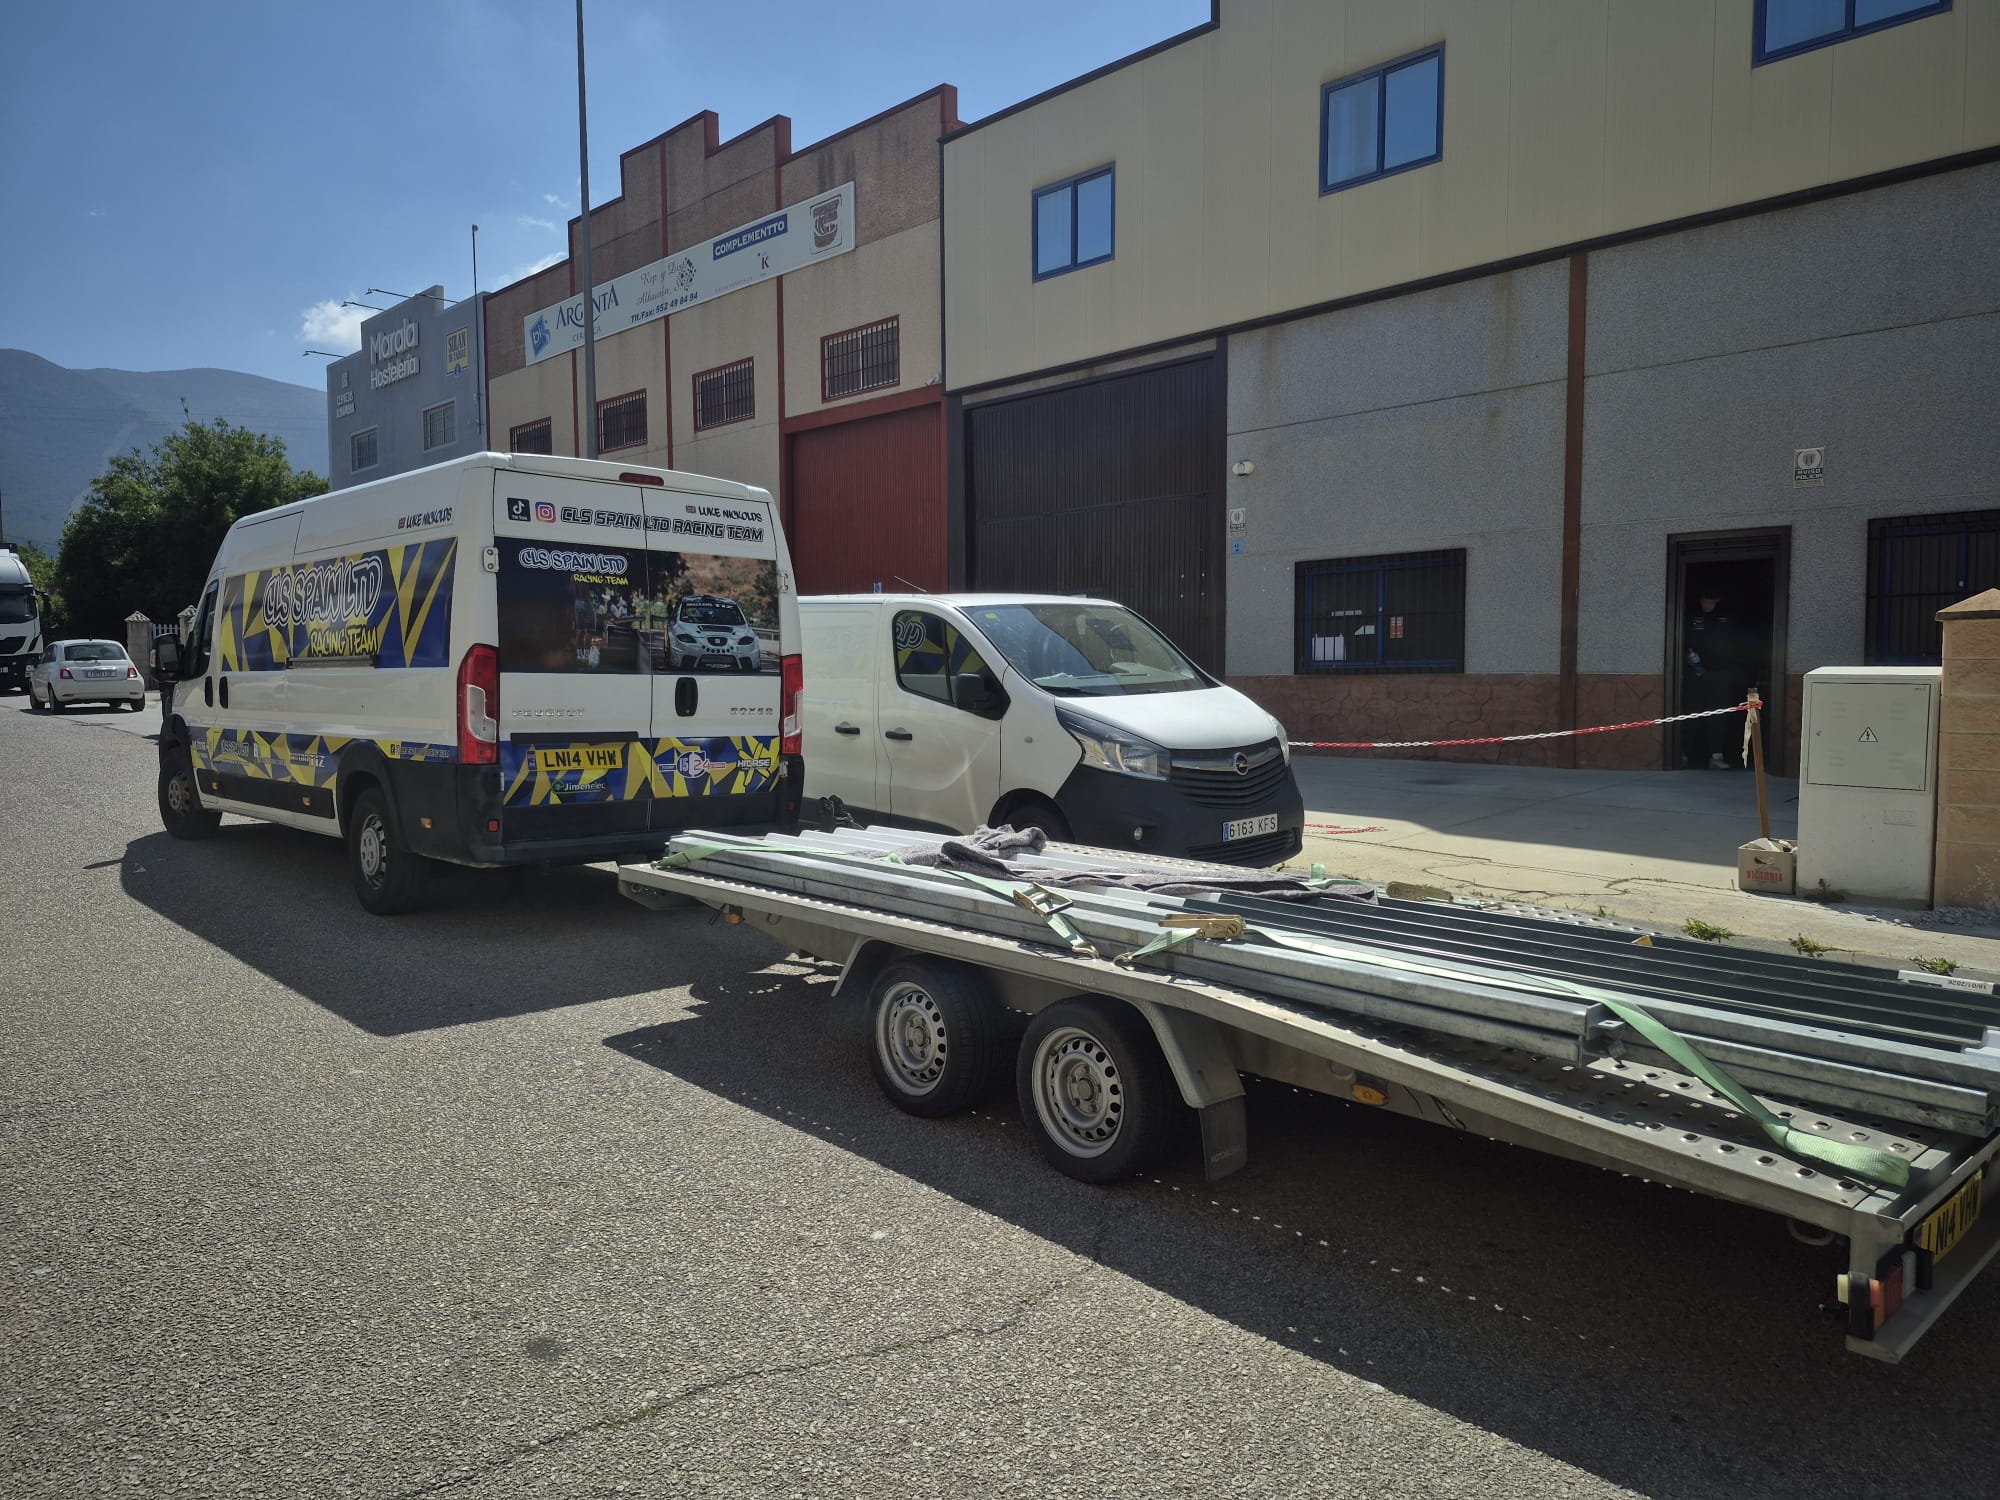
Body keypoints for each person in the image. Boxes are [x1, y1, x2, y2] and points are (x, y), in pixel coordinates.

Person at [1685, 591, 1747, 769]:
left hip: (1720, 674)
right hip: (1696, 674)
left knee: (1718, 715)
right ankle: (1683, 754)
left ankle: (1716, 756)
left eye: (1711, 601)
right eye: (1705, 600)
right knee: (1692, 714)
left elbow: (1736, 646)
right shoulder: (1692, 617)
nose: (1707, 604)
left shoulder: (1726, 618)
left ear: (1717, 601)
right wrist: (1693, 663)